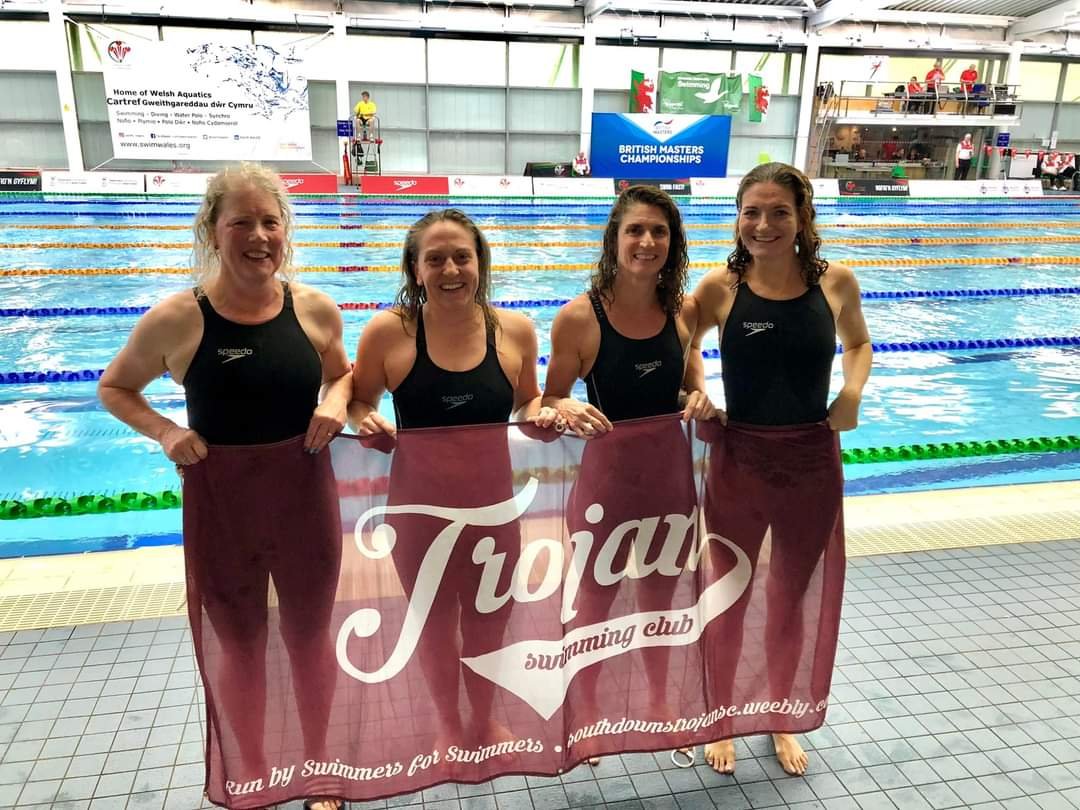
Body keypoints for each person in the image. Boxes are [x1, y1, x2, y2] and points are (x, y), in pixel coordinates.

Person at [97, 164, 353, 810]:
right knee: (239, 644)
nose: (259, 235)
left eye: (271, 221)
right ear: (213, 231)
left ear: (285, 231)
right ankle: (256, 770)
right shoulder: (177, 320)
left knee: (309, 637)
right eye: (242, 221)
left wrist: (337, 403)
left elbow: (345, 378)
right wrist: (163, 432)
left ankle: (320, 768)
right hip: (224, 507)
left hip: (304, 499)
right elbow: (114, 387)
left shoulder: (315, 308)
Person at [688, 162, 872, 777]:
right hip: (738, 460)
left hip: (811, 461)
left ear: (803, 218)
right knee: (730, 595)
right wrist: (698, 390)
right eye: (752, 212)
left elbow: (859, 344)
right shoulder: (720, 288)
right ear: (737, 218)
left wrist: (852, 393)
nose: (764, 225)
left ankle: (779, 715)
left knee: (790, 598)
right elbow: (678, 341)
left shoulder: (835, 282)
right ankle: (722, 715)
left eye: (779, 212)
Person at [349, 208, 553, 749]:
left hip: (493, 510)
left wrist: (544, 415)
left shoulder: (515, 330)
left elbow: (526, 402)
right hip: (419, 516)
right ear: (415, 270)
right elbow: (359, 399)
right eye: (434, 259)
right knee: (435, 624)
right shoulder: (388, 332)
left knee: (489, 622)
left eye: (462, 257)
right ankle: (446, 723)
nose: (450, 270)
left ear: (479, 263)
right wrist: (365, 419)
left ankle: (481, 718)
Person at [538, 185, 715, 765]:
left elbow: (691, 383)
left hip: (668, 479)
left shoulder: (683, 312)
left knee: (665, 599)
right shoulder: (578, 318)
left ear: (673, 241)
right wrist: (561, 407)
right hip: (607, 483)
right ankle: (585, 715)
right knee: (594, 599)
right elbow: (550, 398)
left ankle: (664, 706)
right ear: (614, 239)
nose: (646, 242)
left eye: (658, 231)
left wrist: (700, 399)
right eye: (635, 230)